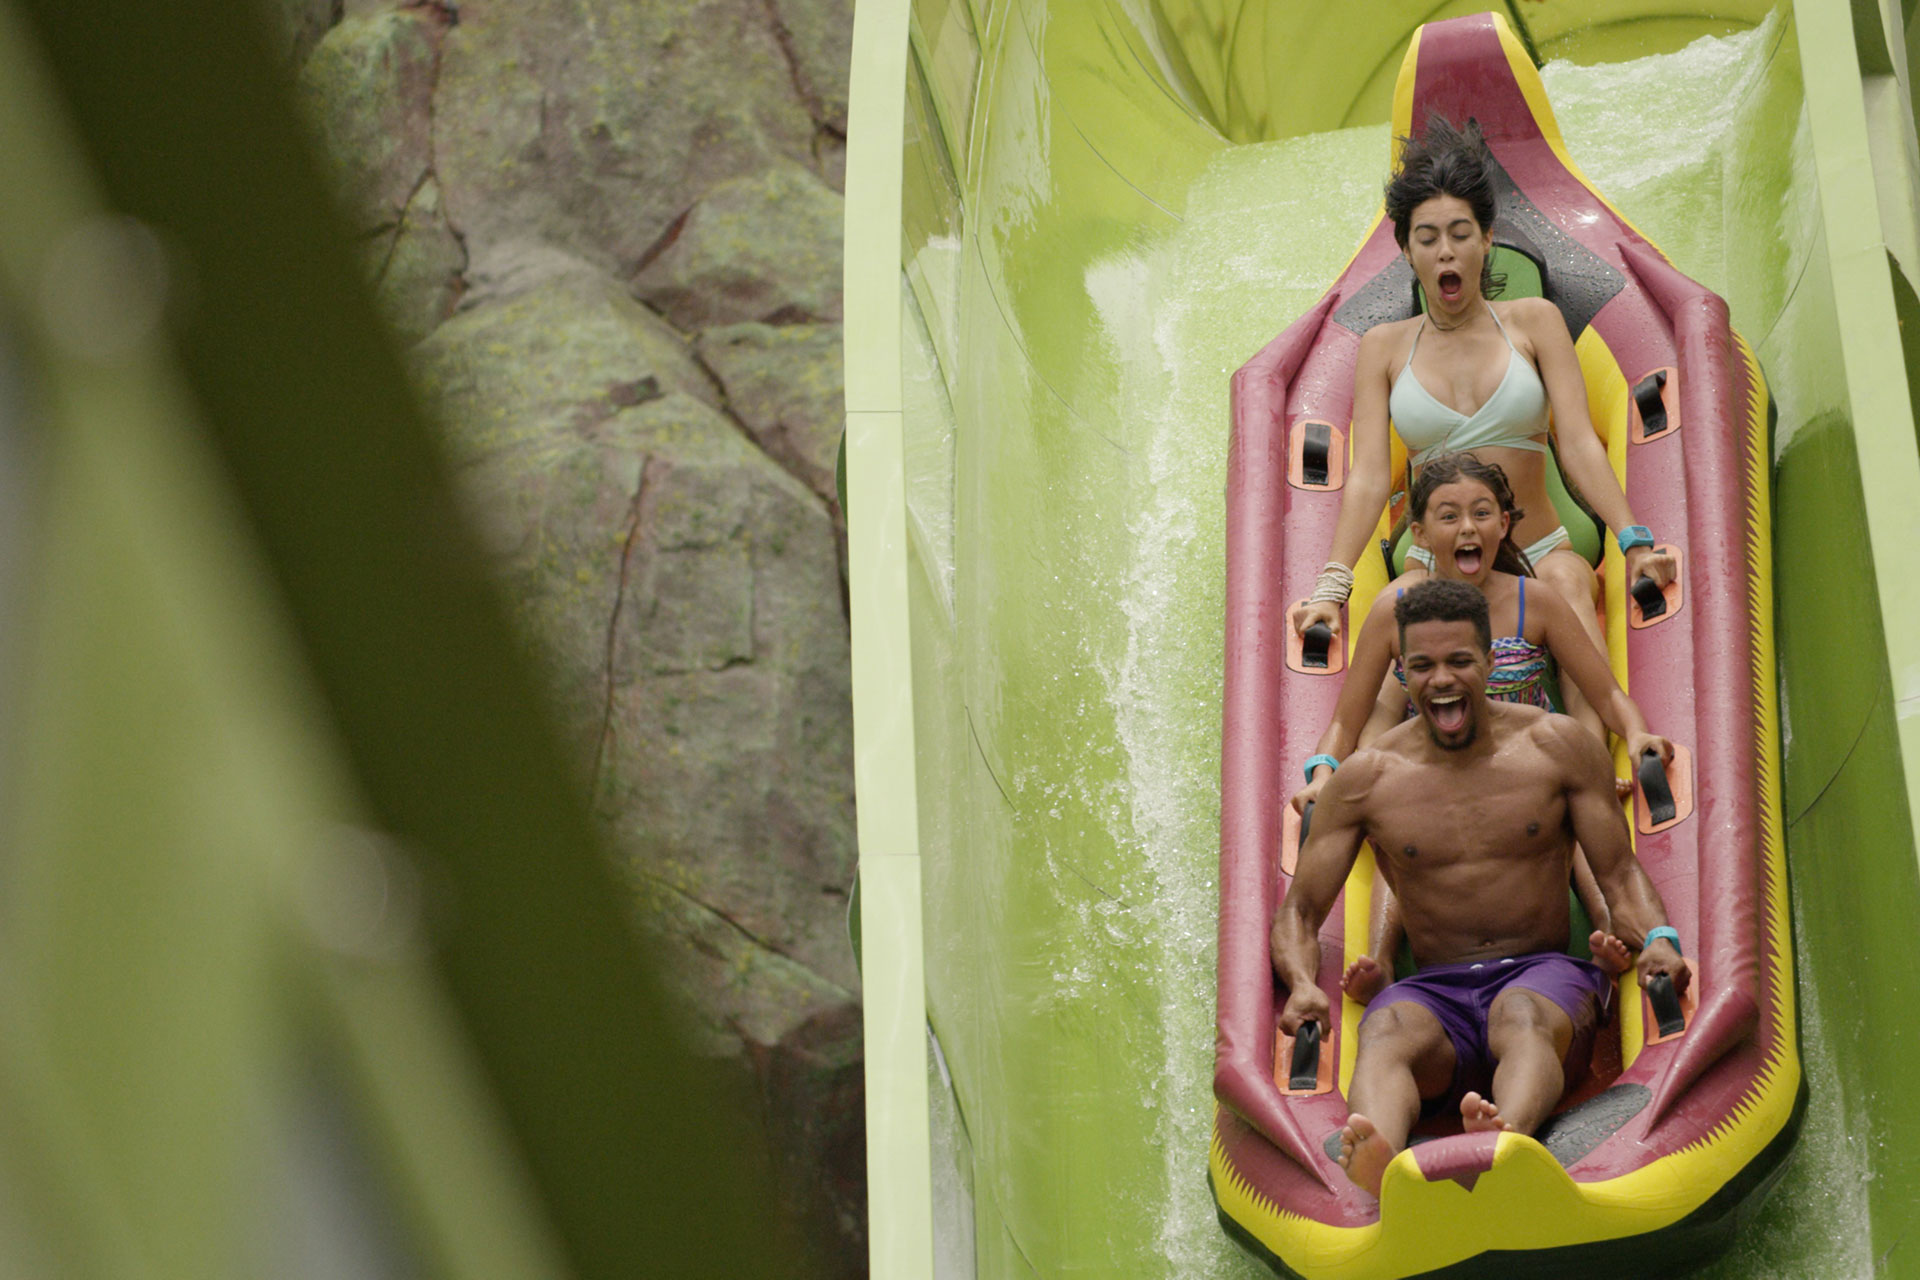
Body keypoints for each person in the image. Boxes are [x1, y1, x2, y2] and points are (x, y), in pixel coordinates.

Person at [1269, 578, 1688, 1199]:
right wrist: (1303, 984)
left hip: (1542, 977)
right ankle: (1379, 1162)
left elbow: (1619, 872)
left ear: (1491, 661)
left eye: (1459, 661)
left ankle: (1507, 1139)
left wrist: (1657, 938)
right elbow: (1299, 913)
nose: (1441, 679)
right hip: (1435, 995)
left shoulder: (1556, 746)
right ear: (1403, 673)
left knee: (1517, 1017)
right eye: (1422, 665)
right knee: (1384, 1035)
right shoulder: (1367, 780)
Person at [1289, 116, 1676, 738]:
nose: (1446, 251)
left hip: (1544, 546)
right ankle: (1372, 778)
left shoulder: (1535, 322)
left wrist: (1631, 541)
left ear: (1487, 241)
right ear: (1407, 250)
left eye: (1461, 234)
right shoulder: (1383, 348)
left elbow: (1577, 441)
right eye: (1428, 237)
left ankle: (1602, 764)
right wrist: (1333, 587)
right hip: (1432, 554)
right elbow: (1365, 477)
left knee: (1572, 586)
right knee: (1406, 607)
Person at [1290, 453, 1674, 992]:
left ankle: (1615, 935)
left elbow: (1604, 690)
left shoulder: (1532, 601)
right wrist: (1324, 771)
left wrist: (1634, 733)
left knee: (1578, 815)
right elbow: (1345, 721)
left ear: (1505, 524)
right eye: (1449, 517)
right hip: (1431, 756)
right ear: (1421, 533)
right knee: (1398, 826)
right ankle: (1378, 958)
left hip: (1523, 759)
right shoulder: (1396, 608)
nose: (1467, 528)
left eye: (1481, 514)